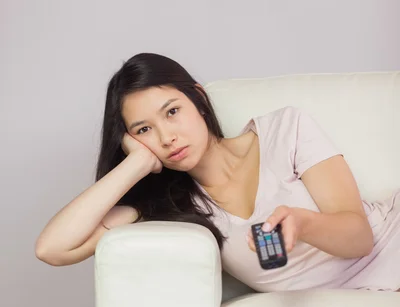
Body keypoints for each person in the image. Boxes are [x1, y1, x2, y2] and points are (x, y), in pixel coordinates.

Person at [35, 53, 400, 292]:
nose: (166, 137)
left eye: (172, 111)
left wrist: (302, 224)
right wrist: (137, 164)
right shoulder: (169, 204)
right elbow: (52, 249)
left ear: (198, 99)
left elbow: (359, 238)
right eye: (143, 129)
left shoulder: (285, 130)